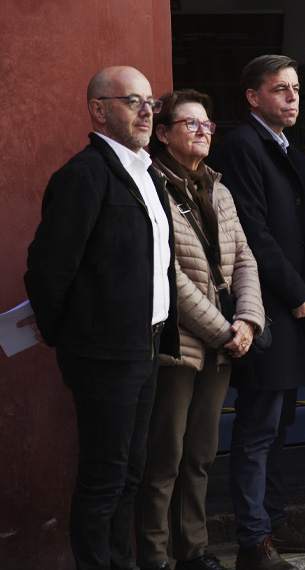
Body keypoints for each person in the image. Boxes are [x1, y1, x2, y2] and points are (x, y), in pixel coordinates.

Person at [24, 65, 179, 570]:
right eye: (132, 101)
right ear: (98, 110)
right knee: (104, 476)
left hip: (147, 346)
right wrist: (72, 339)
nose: (146, 111)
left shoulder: (147, 171)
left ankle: (121, 561)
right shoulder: (83, 175)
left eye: (150, 101)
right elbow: (48, 272)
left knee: (132, 471)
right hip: (104, 354)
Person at [133, 90, 266, 570]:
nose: (203, 131)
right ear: (163, 134)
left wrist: (248, 320)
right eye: (190, 124)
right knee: (164, 457)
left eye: (208, 125)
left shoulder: (219, 188)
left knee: (201, 454)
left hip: (225, 344)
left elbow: (245, 259)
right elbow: (167, 274)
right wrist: (220, 329)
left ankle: (194, 551)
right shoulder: (150, 188)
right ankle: (155, 556)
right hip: (178, 346)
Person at [208, 55, 305, 570]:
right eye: (281, 89)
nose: (293, 98)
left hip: (292, 306)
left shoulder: (289, 152)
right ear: (253, 97)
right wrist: (295, 289)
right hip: (264, 307)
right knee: (258, 429)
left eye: (297, 89)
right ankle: (253, 542)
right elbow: (253, 232)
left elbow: (301, 231)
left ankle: (276, 521)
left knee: (279, 426)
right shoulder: (240, 146)